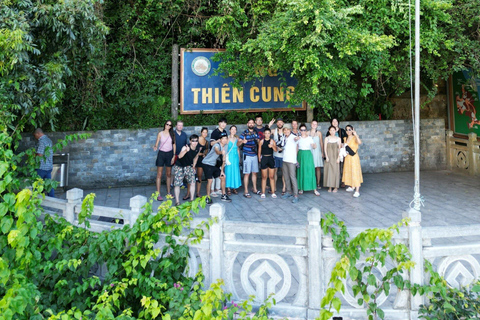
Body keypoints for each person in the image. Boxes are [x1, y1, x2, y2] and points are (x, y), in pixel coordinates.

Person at [202, 131, 232, 204]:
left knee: (222, 177)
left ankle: (224, 195)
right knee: (210, 180)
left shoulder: (226, 146)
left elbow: (223, 160)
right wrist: (221, 152)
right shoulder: (217, 145)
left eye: (226, 138)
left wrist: (222, 171)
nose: (224, 140)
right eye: (223, 138)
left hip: (213, 165)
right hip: (206, 163)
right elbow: (217, 151)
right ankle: (208, 198)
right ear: (220, 139)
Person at [172, 135, 200, 206]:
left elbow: (196, 157)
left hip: (188, 166)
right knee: (177, 184)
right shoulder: (185, 147)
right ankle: (177, 202)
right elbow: (179, 156)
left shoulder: (198, 148)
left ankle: (192, 200)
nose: (194, 142)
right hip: (179, 166)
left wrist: (193, 166)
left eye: (196, 140)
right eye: (193, 141)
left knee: (193, 182)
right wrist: (185, 151)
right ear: (190, 141)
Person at [153, 120, 175, 201]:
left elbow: (174, 145)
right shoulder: (160, 133)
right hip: (161, 154)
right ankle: (158, 193)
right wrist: (155, 146)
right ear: (164, 124)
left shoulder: (172, 134)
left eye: (170, 125)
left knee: (168, 174)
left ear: (171, 127)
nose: (168, 126)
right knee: (159, 174)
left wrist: (173, 155)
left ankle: (168, 192)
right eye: (167, 124)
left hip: (169, 154)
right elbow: (156, 143)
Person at [238, 119, 260, 198]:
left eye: (252, 123)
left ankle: (255, 189)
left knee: (254, 172)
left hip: (254, 155)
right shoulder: (244, 133)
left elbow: (258, 141)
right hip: (247, 155)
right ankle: (246, 191)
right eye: (249, 123)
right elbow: (238, 143)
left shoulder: (255, 132)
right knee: (247, 173)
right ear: (247, 124)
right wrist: (242, 142)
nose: (251, 124)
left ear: (254, 124)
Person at [297, 124, 320, 196]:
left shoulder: (310, 138)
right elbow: (296, 148)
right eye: (302, 130)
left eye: (304, 130)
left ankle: (314, 189)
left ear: (306, 130)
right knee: (301, 171)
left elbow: (313, 146)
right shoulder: (298, 138)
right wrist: (295, 158)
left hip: (308, 154)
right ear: (299, 131)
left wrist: (314, 146)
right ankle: (301, 188)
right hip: (300, 154)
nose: (303, 131)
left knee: (310, 171)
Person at [281, 124, 300, 203]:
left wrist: (297, 138)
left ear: (290, 130)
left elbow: (296, 139)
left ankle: (296, 195)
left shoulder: (293, 137)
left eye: (287, 130)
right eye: (284, 130)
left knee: (293, 177)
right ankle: (289, 192)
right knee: (286, 177)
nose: (286, 131)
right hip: (284, 159)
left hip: (292, 160)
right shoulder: (283, 137)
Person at [342, 125, 363, 197]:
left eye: (349, 129)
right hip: (348, 158)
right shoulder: (345, 138)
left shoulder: (354, 138)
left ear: (352, 130)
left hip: (354, 157)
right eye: (347, 130)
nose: (348, 131)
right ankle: (351, 186)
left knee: (355, 172)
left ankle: (357, 190)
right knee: (349, 171)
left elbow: (359, 142)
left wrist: (356, 134)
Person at [325, 118, 347, 187]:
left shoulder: (342, 131)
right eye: (333, 121)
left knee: (342, 166)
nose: (334, 122)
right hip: (332, 151)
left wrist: (344, 144)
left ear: (338, 122)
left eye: (336, 121)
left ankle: (342, 181)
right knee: (335, 166)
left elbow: (346, 139)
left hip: (341, 150)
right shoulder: (329, 132)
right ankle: (333, 182)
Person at [33, 128, 54, 197]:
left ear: (37, 134)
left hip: (41, 167)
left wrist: (32, 155)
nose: (35, 138)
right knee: (48, 184)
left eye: (35, 136)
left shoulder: (41, 141)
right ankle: (52, 199)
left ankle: (34, 199)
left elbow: (40, 154)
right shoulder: (49, 140)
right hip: (49, 166)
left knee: (37, 184)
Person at [210, 118, 227, 196]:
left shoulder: (225, 132)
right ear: (219, 123)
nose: (223, 124)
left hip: (221, 155)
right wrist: (219, 140)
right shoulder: (215, 132)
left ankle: (217, 188)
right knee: (212, 173)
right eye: (222, 123)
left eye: (225, 123)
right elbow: (211, 144)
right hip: (214, 156)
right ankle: (212, 190)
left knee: (219, 172)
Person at [258, 128, 277, 198]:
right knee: (264, 177)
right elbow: (259, 151)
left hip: (271, 158)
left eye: (268, 133)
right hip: (264, 158)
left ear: (270, 134)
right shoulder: (261, 141)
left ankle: (273, 192)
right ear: (263, 134)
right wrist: (259, 159)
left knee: (271, 177)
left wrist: (272, 146)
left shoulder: (272, 141)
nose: (267, 135)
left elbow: (276, 150)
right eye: (266, 133)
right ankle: (263, 192)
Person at [323, 125, 341, 192]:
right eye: (331, 130)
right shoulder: (327, 138)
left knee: (336, 171)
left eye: (333, 130)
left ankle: (336, 187)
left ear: (335, 130)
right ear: (329, 131)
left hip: (336, 156)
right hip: (329, 157)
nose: (332, 132)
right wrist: (326, 156)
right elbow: (325, 148)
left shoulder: (338, 139)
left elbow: (340, 149)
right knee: (329, 171)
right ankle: (330, 186)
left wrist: (338, 158)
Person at [225, 125, 241, 195]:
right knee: (228, 171)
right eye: (232, 129)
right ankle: (228, 188)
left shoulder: (237, 138)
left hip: (235, 156)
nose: (233, 131)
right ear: (229, 130)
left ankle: (234, 187)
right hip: (229, 156)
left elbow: (238, 149)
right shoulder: (227, 138)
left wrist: (239, 158)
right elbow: (225, 148)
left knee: (235, 171)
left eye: (235, 129)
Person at [272, 118, 286, 195]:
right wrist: (270, 124)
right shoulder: (274, 131)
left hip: (284, 155)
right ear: (277, 123)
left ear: (283, 123)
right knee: (275, 171)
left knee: (284, 172)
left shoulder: (285, 131)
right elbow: (266, 131)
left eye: (281, 122)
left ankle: (284, 187)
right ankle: (274, 186)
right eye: (278, 122)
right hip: (276, 154)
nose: (280, 124)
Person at [309, 120, 324, 189]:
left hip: (317, 151)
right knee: (310, 168)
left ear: (317, 125)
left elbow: (321, 143)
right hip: (310, 152)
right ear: (311, 124)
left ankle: (318, 183)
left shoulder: (319, 133)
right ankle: (311, 182)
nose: (314, 125)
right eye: (313, 124)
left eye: (315, 124)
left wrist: (322, 152)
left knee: (318, 168)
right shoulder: (307, 133)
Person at [195, 127, 209, 198]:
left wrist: (205, 154)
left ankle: (198, 192)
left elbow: (206, 149)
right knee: (191, 176)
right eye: (204, 132)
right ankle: (189, 193)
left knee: (199, 176)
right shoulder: (197, 140)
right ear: (201, 132)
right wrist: (201, 154)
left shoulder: (206, 142)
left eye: (206, 132)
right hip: (194, 159)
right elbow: (194, 150)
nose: (205, 134)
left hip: (201, 160)